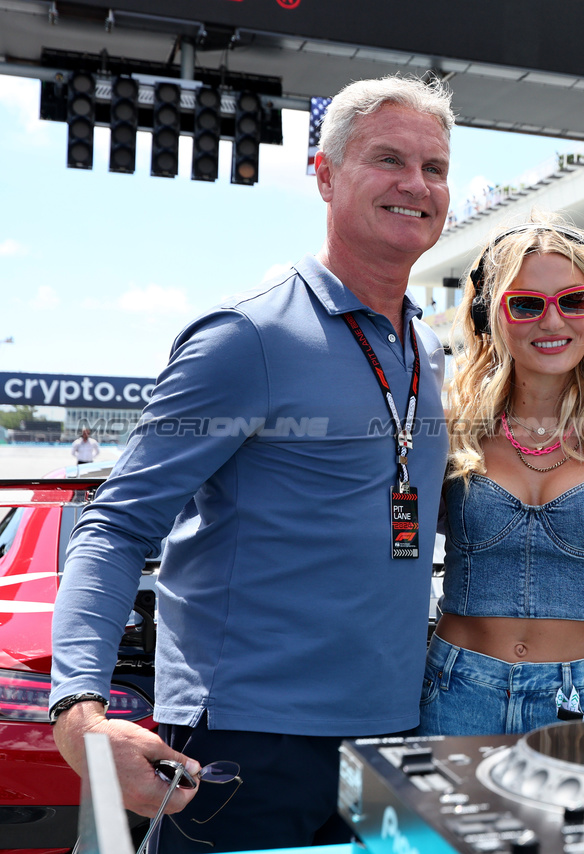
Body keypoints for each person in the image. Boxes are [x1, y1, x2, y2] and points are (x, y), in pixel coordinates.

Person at [50, 75, 455, 852]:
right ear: (326, 175)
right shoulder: (247, 337)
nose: (416, 184)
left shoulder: (426, 349)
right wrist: (79, 709)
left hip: (391, 743)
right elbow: (115, 525)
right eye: (389, 160)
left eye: (434, 168)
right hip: (247, 747)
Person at [418, 216, 584, 736]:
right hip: (457, 690)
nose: (553, 321)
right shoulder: (450, 427)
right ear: (490, 314)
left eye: (573, 300)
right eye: (527, 303)